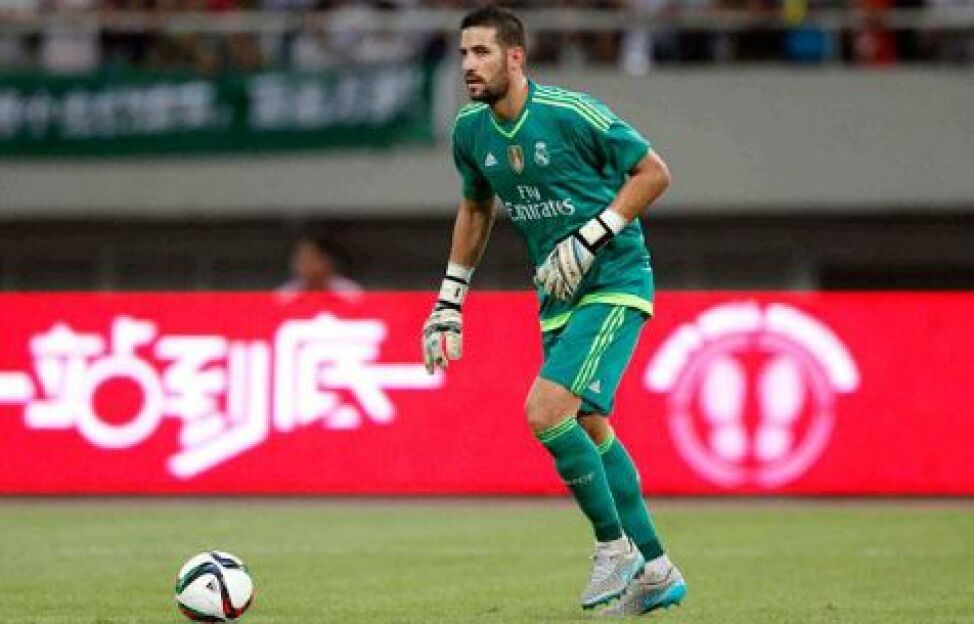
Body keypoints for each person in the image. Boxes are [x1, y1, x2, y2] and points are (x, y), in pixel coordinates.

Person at [421, 5, 686, 617]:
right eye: (463, 54)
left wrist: (592, 236)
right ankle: (656, 569)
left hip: (614, 279)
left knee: (545, 411)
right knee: (589, 426)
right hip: (556, 294)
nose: (469, 65)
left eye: (482, 52)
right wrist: (450, 297)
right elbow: (477, 208)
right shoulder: (471, 131)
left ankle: (614, 548)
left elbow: (654, 173)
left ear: (515, 57)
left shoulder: (570, 113)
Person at [278, 232, 363, 300]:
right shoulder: (285, 295)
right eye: (301, 259)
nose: (304, 265)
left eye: (311, 259)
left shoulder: (349, 293)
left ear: (327, 261)